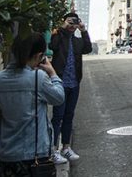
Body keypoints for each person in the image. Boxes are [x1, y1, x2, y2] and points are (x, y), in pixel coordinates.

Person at [0, 33, 64, 177]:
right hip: (35, 155)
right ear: (39, 56)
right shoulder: (37, 78)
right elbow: (59, 97)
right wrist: (52, 73)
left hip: (8, 153)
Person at [49, 12, 92, 164]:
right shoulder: (59, 36)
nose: (73, 25)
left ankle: (66, 148)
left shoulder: (77, 41)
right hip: (60, 83)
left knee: (69, 116)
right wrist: (62, 28)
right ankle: (53, 149)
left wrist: (83, 30)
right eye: (70, 22)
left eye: (75, 22)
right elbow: (52, 46)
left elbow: (88, 48)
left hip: (74, 83)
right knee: (58, 117)